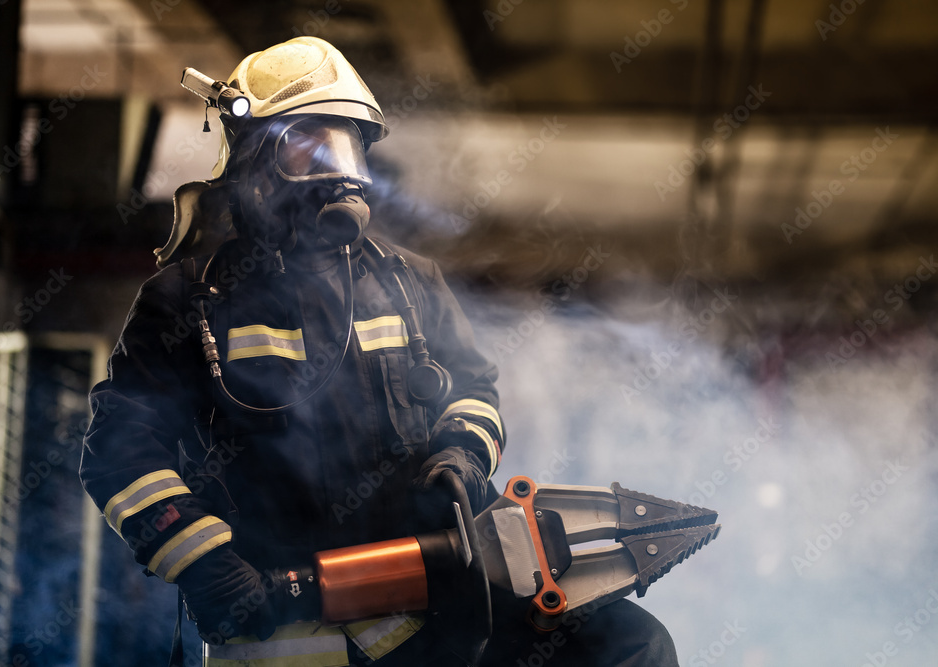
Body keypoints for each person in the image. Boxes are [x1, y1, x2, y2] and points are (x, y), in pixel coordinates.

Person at [80, 36, 677, 666]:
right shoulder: (186, 300)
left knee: (630, 645)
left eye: (347, 147)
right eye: (306, 149)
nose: (336, 173)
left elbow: (475, 391)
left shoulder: (409, 283)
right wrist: (206, 567)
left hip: (427, 597)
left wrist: (463, 451)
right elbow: (119, 455)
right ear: (253, 166)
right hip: (278, 624)